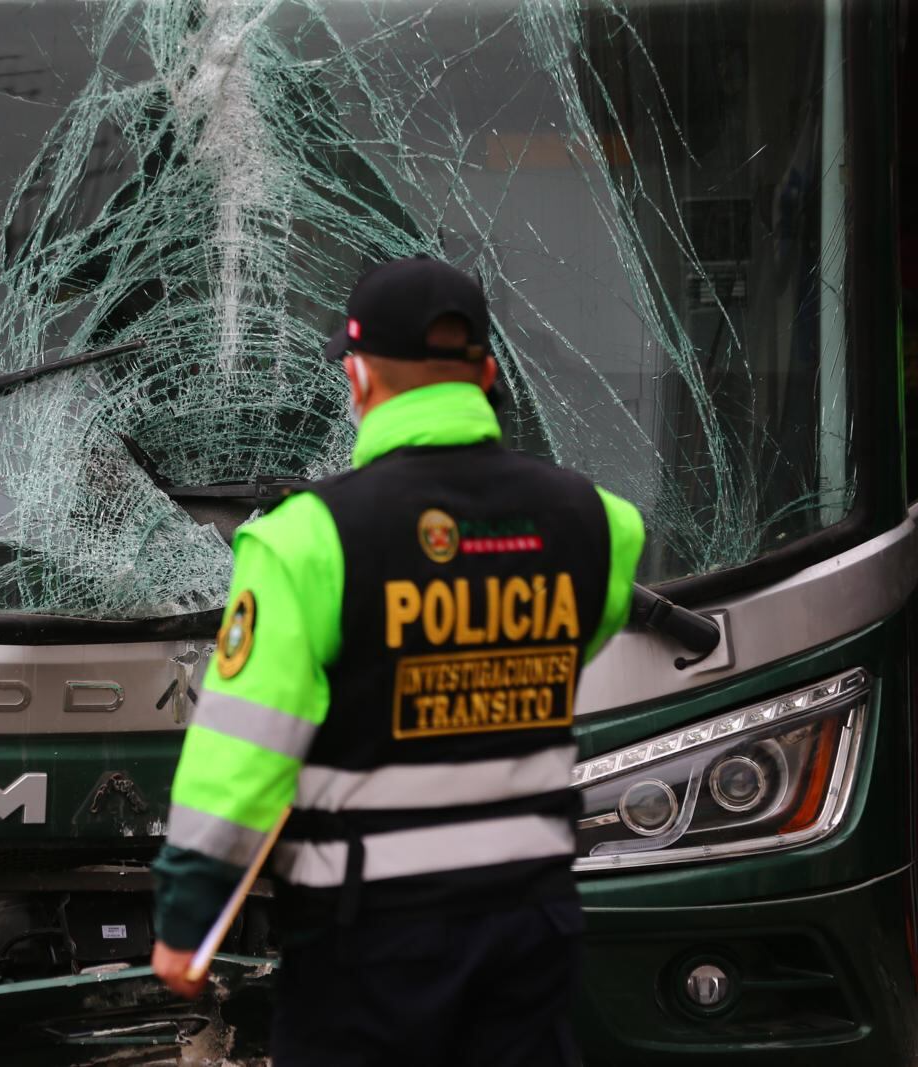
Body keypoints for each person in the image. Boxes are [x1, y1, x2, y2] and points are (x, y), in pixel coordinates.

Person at [148, 256, 645, 1066]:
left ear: (360, 377)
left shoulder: (304, 540)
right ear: (486, 374)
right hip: (532, 920)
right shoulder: (599, 525)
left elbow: (242, 753)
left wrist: (186, 915)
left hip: (373, 943)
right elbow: (568, 643)